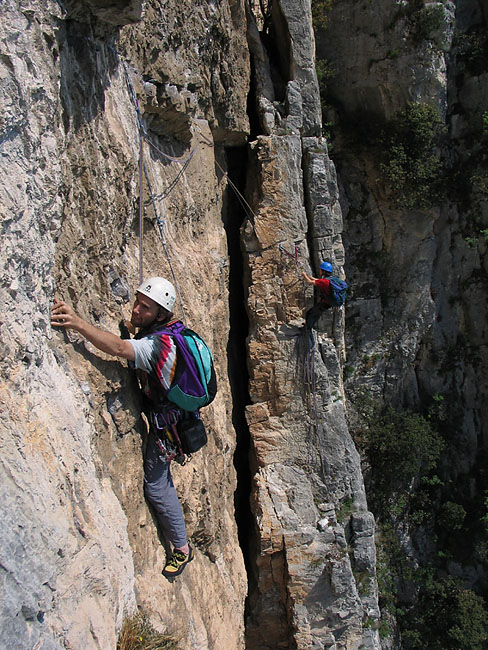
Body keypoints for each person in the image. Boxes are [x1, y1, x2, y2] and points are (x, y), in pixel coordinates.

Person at [51, 277, 193, 578]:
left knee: (157, 486)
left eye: (146, 307)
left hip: (168, 427)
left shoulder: (154, 345)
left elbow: (117, 348)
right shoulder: (170, 332)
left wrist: (77, 323)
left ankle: (181, 548)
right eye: (138, 302)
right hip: (175, 414)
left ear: (160, 315)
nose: (137, 309)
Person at [301, 260, 334, 331]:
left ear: (324, 271)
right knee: (316, 313)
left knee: (310, 313)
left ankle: (307, 329)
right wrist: (313, 278)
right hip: (329, 303)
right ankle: (309, 326)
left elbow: (309, 282)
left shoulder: (324, 281)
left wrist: (304, 275)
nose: (320, 271)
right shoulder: (330, 279)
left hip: (325, 303)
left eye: (321, 270)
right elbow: (321, 282)